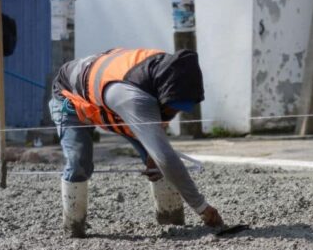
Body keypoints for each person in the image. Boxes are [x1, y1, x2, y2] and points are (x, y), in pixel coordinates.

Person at [50, 48, 224, 238]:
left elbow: (161, 122)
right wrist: (201, 206)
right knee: (79, 162)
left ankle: (172, 220)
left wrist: (155, 149)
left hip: (109, 99)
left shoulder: (168, 70)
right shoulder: (136, 99)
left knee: (156, 159)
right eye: (172, 108)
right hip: (72, 98)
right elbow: (165, 157)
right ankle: (74, 228)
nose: (174, 114)